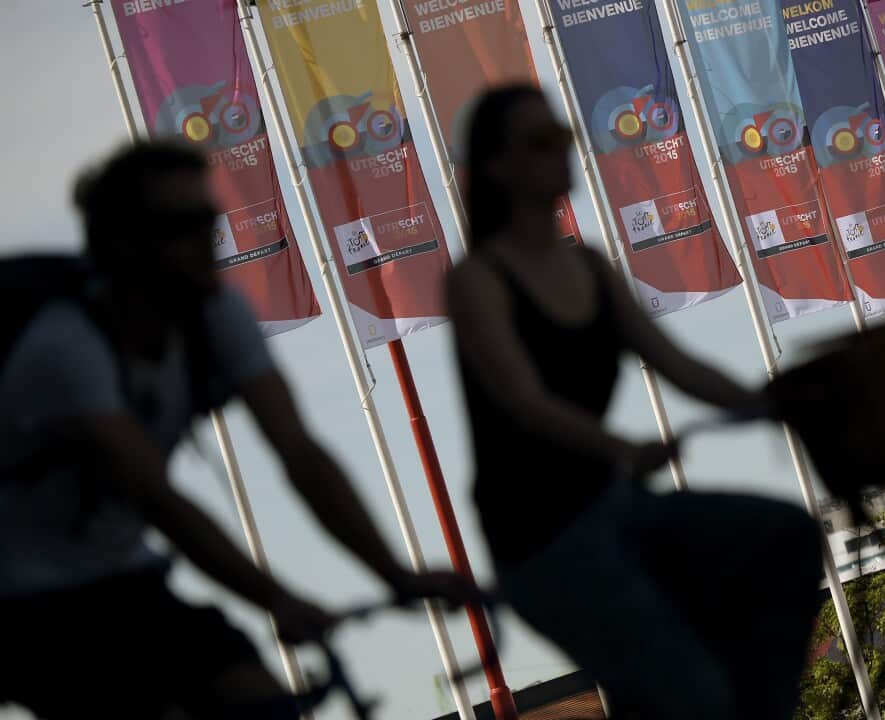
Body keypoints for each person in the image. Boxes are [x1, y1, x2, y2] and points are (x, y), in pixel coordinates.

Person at [0, 142, 477, 719]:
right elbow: (156, 497)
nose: (209, 238)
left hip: (121, 577)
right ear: (123, 244)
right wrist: (276, 599)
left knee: (260, 703)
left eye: (209, 219)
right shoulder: (63, 349)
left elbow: (299, 451)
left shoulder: (216, 315)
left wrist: (395, 573)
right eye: (183, 226)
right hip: (24, 603)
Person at [447, 85, 825, 720]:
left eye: (561, 138)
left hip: (614, 509)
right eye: (540, 143)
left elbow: (677, 363)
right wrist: (621, 448)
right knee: (686, 694)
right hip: (543, 541)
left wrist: (773, 402)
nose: (560, 153)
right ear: (497, 166)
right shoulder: (478, 280)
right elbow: (525, 401)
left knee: (786, 536)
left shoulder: (591, 266)